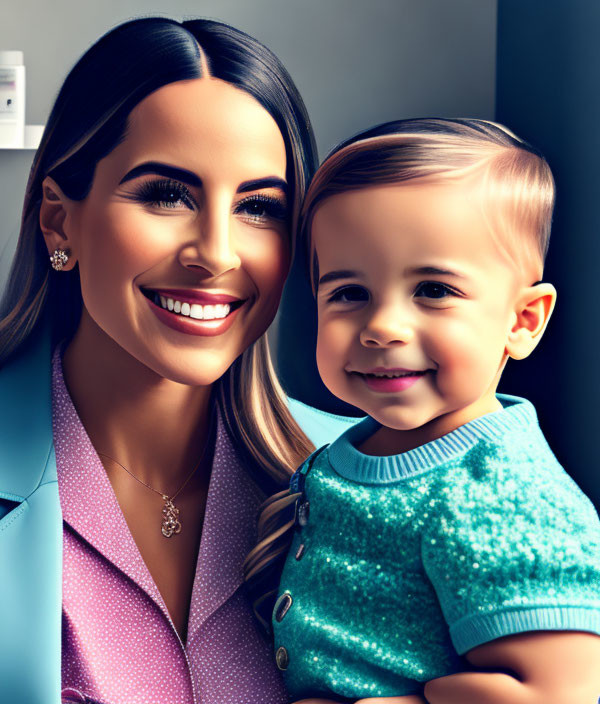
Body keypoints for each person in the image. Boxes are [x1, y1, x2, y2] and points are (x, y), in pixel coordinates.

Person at [0, 17, 362, 703]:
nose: (216, 252)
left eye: (259, 207)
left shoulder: (362, 473)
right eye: (166, 195)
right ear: (61, 220)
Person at [245, 118, 600, 704]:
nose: (382, 327)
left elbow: (563, 690)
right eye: (348, 293)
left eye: (433, 290)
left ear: (522, 320)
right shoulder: (351, 447)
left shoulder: (502, 494)